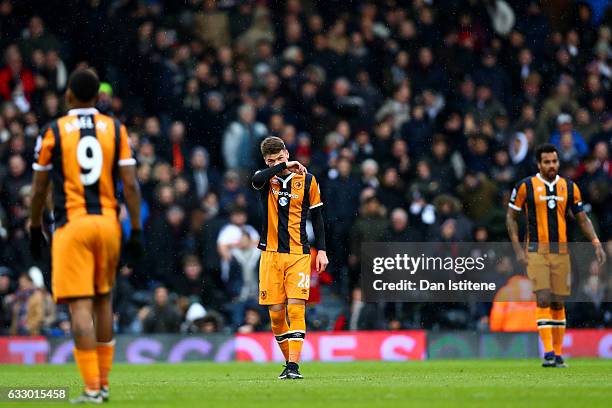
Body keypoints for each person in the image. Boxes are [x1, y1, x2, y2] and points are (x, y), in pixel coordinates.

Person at [28, 69, 143, 403]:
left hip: (72, 224)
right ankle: (104, 383)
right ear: (98, 97)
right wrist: (134, 229)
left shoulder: (53, 131)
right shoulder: (116, 129)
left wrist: (36, 226)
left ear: (68, 96)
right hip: (107, 223)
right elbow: (132, 185)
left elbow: (39, 188)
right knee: (103, 299)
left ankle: (92, 387)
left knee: (80, 304)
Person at [506, 143, 605, 368]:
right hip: (536, 251)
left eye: (554, 161)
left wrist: (596, 242)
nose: (552, 165)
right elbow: (511, 216)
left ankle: (558, 355)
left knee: (559, 302)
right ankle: (548, 352)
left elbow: (582, 218)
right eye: (547, 162)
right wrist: (517, 249)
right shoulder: (525, 186)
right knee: (543, 296)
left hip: (561, 251)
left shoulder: (569, 187)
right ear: (538, 164)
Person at [251, 136, 328, 380]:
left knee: (296, 309)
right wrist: (284, 166)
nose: (277, 162)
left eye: (280, 157)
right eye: (271, 160)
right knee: (275, 313)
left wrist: (323, 251)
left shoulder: (307, 180)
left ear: (286, 152)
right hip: (270, 254)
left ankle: (293, 366)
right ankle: (288, 361)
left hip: (298, 254)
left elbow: (317, 217)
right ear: (266, 161)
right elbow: (256, 179)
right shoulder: (266, 179)